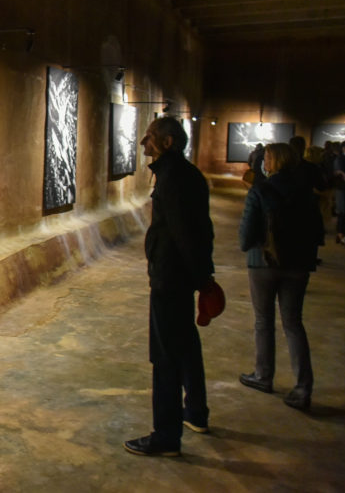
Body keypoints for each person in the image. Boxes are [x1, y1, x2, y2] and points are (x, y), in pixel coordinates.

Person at [124, 117, 216, 457]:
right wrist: (202, 276)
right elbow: (200, 230)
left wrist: (203, 279)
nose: (142, 144)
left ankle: (166, 436)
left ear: (167, 142)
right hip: (179, 276)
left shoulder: (174, 178)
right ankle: (196, 412)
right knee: (186, 344)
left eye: (149, 137)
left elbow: (184, 233)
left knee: (165, 357)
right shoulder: (185, 174)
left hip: (170, 278)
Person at [238, 143, 317, 411]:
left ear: (273, 162)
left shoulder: (260, 190)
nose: (265, 162)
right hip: (298, 266)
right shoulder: (305, 192)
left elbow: (245, 238)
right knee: (293, 323)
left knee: (264, 321)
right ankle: (303, 386)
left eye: (267, 158)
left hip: (263, 263)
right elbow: (317, 232)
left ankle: (263, 375)